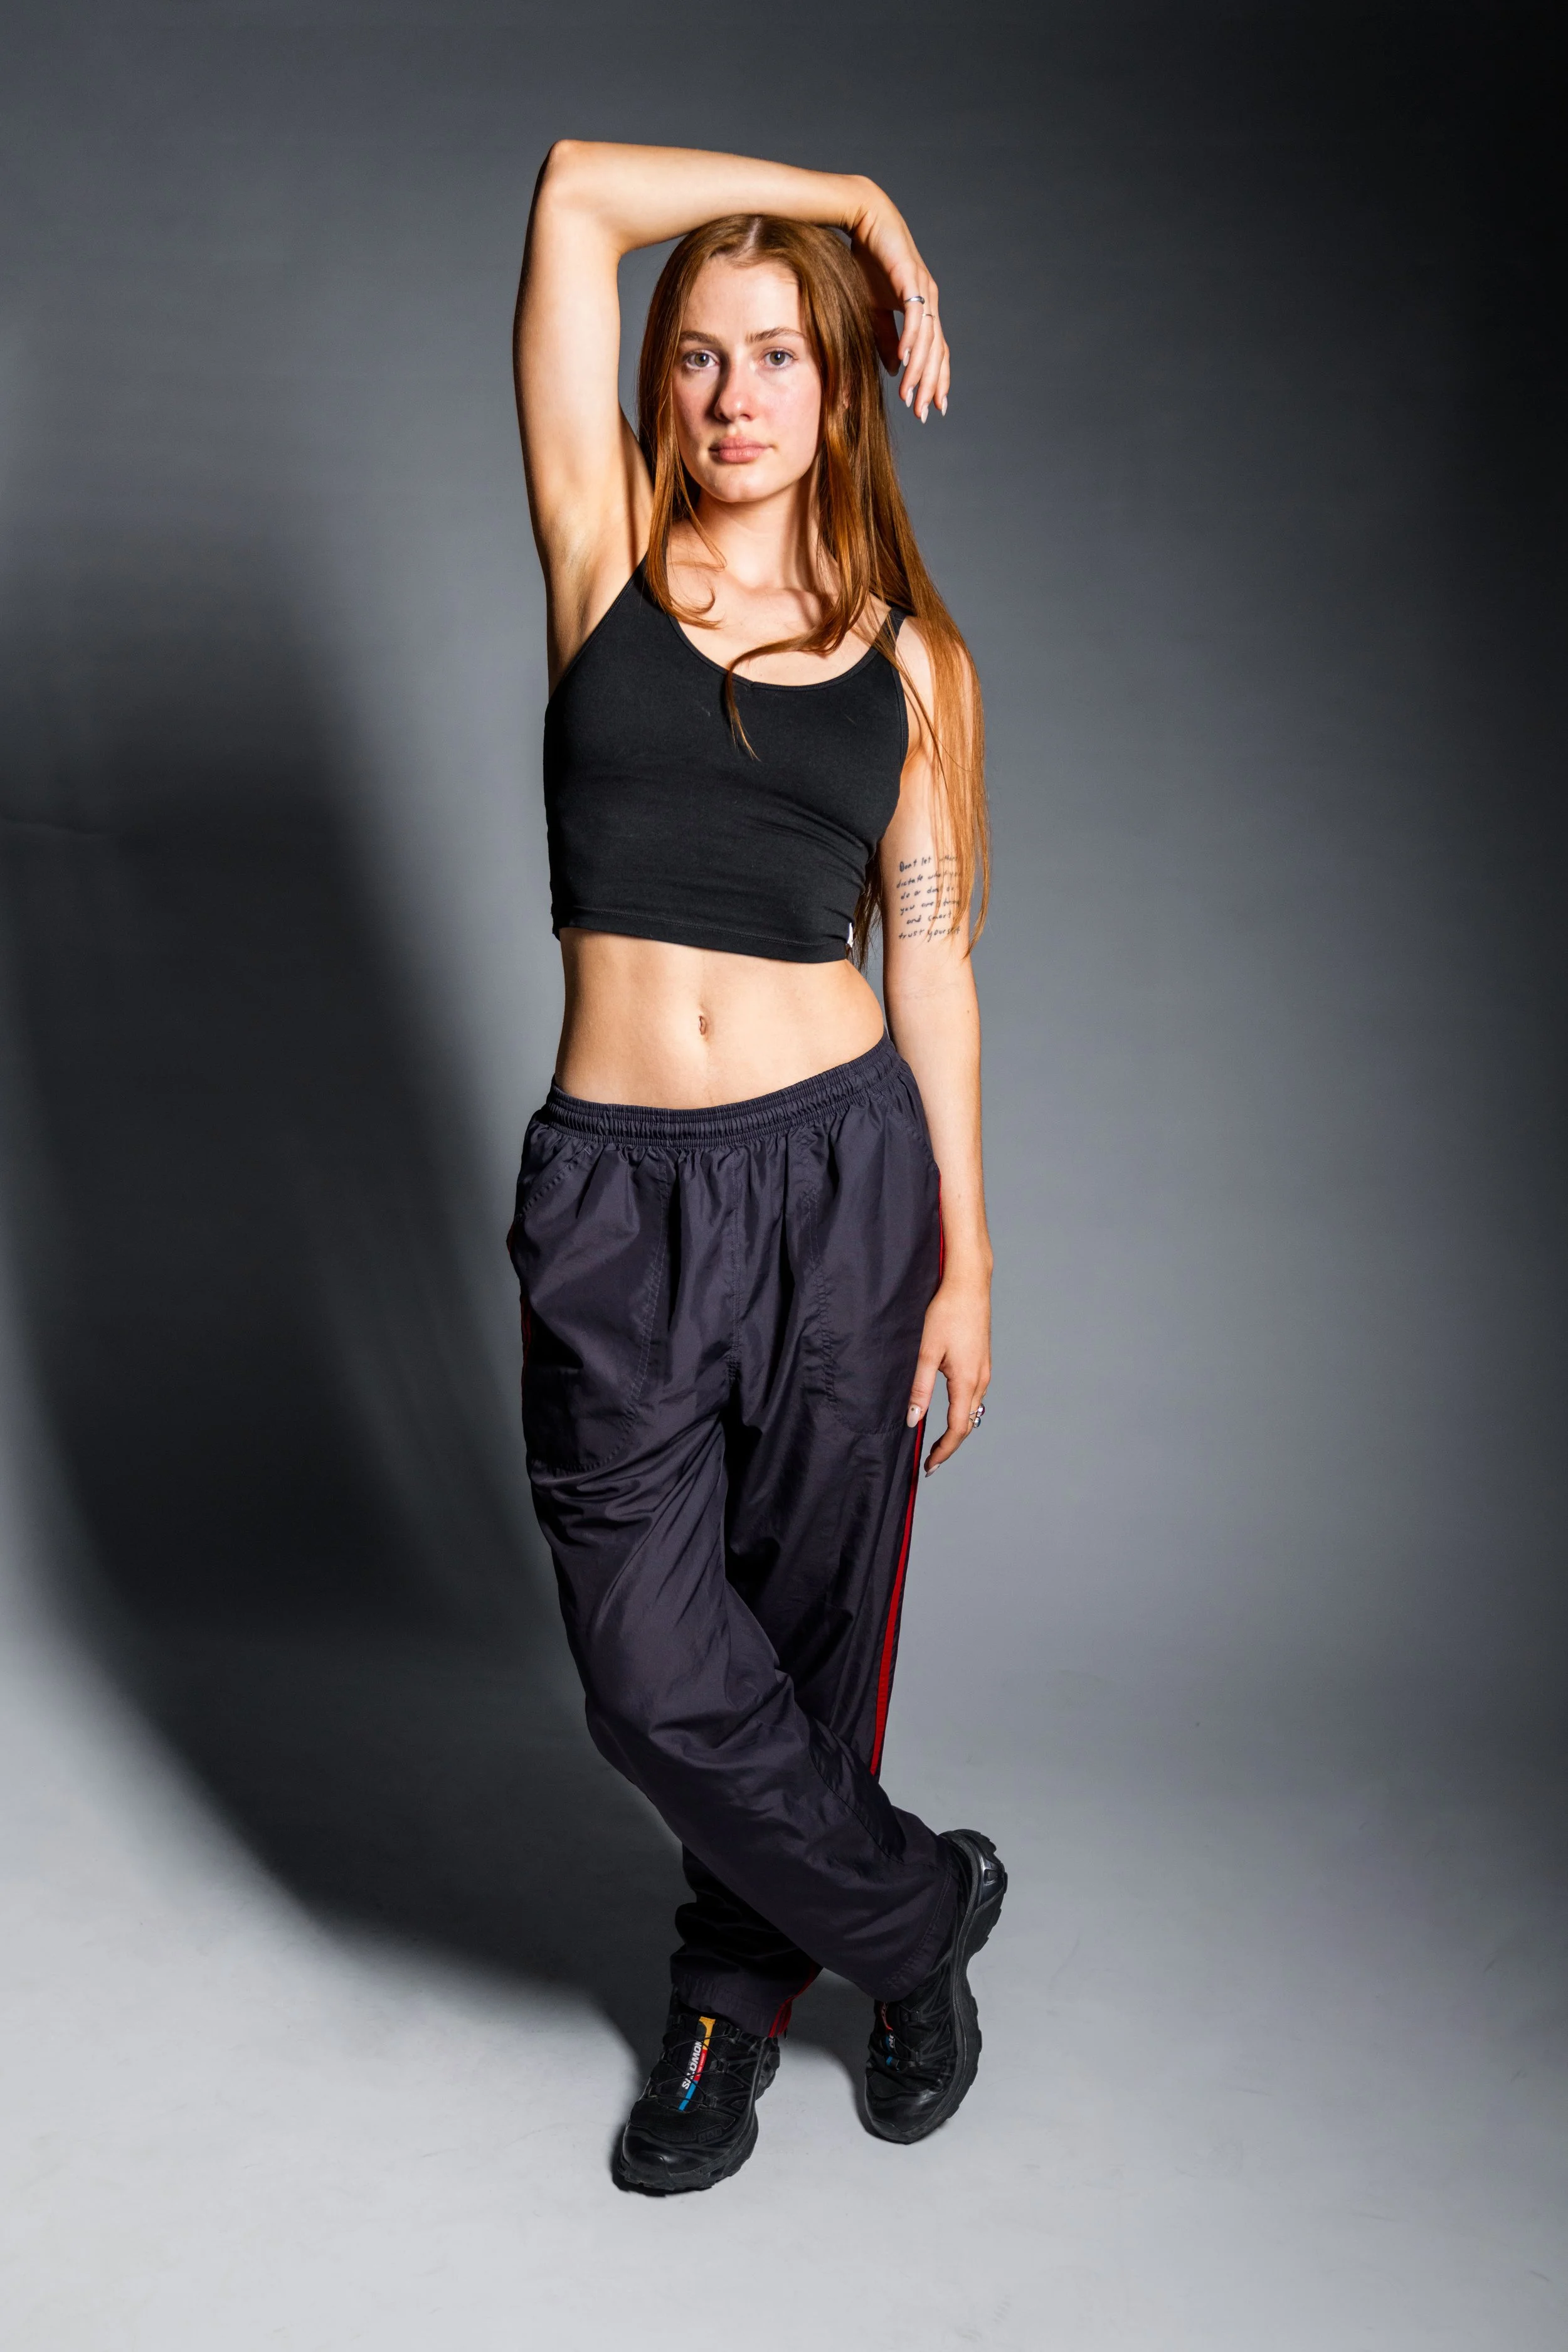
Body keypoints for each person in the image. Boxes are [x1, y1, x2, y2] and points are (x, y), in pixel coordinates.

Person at [509, 139, 1005, 2196]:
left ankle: (724, 2003)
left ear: (840, 386)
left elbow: (935, 964)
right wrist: (864, 203)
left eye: (780, 352)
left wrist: (965, 1254)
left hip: (841, 1184)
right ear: (660, 384)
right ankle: (916, 1917)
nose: (733, 394)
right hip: (617, 1194)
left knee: (804, 1626)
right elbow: (570, 197)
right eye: (700, 354)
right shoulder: (602, 554)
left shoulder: (913, 665)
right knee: (649, 1666)